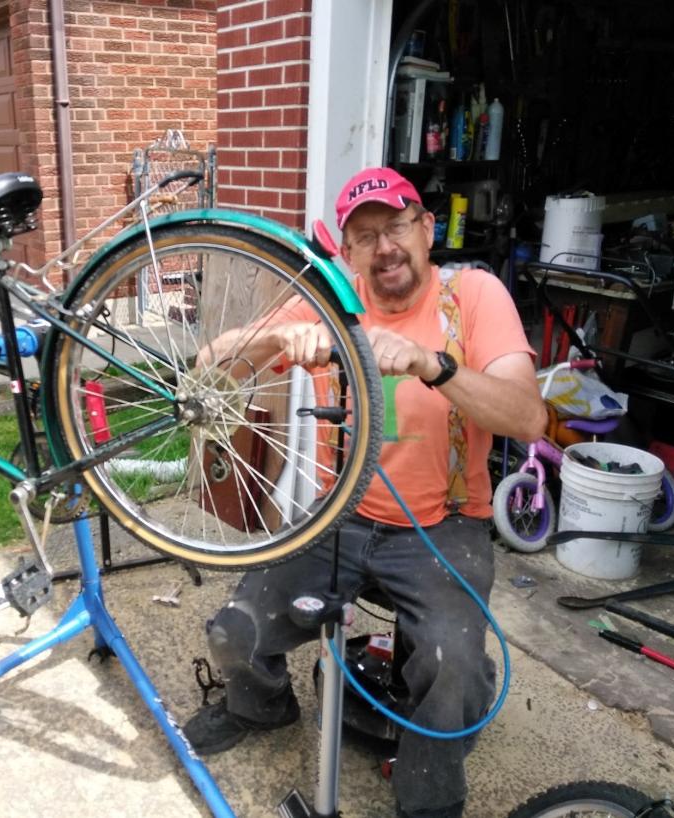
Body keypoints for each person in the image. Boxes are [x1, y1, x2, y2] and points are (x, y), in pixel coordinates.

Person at [183, 167, 548, 818]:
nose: (384, 246)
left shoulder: (473, 296)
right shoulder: (331, 297)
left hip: (443, 525)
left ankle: (427, 796)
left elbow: (527, 417)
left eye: (397, 226)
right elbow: (214, 363)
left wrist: (429, 362)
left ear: (427, 229)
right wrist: (271, 341)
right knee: (234, 629)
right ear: (347, 252)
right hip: (339, 518)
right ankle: (260, 705)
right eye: (365, 235)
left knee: (451, 663)